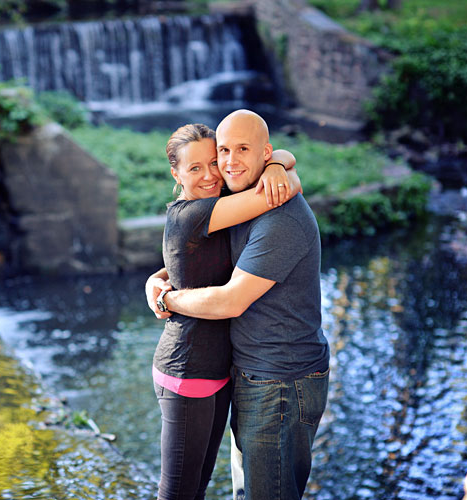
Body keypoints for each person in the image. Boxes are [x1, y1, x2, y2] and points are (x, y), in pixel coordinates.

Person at [147, 110, 330, 500]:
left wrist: (167, 294)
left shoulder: (269, 212)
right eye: (222, 152)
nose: (222, 167)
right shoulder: (222, 199)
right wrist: (162, 282)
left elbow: (230, 298)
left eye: (236, 152)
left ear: (263, 153)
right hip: (229, 371)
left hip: (279, 378)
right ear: (175, 175)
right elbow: (198, 253)